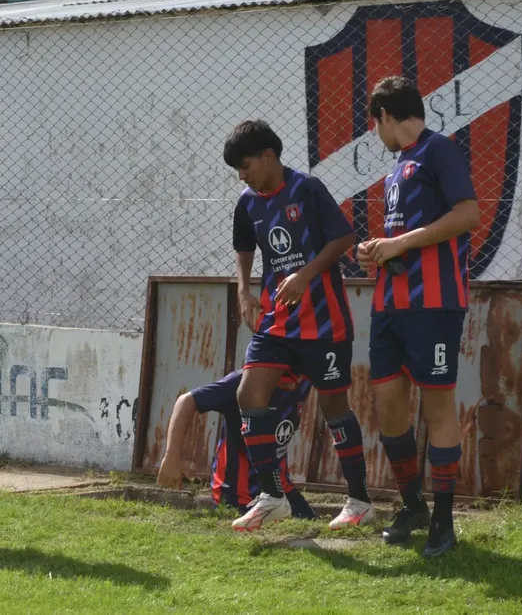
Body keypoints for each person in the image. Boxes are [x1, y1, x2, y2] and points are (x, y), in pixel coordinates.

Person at [225, 120, 373, 532]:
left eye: (245, 164)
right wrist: (244, 290)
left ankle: (359, 501)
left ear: (269, 156)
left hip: (324, 323)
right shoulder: (247, 201)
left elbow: (343, 237)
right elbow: (243, 245)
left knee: (333, 407)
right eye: (238, 170)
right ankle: (272, 496)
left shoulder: (306, 189)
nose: (242, 175)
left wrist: (305, 274)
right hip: (277, 320)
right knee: (249, 393)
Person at [357, 76, 480, 558]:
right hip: (390, 304)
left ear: (386, 115)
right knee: (387, 403)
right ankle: (412, 505)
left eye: (375, 124)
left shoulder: (438, 151)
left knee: (437, 407)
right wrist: (378, 252)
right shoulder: (397, 167)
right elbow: (404, 236)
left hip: (434, 304)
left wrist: (401, 244)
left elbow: (468, 213)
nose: (376, 134)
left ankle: (444, 523)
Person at [157, 370, 317, 521]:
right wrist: (172, 457)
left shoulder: (303, 382)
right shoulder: (243, 382)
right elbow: (187, 400)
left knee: (313, 526)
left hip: (282, 488)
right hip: (237, 496)